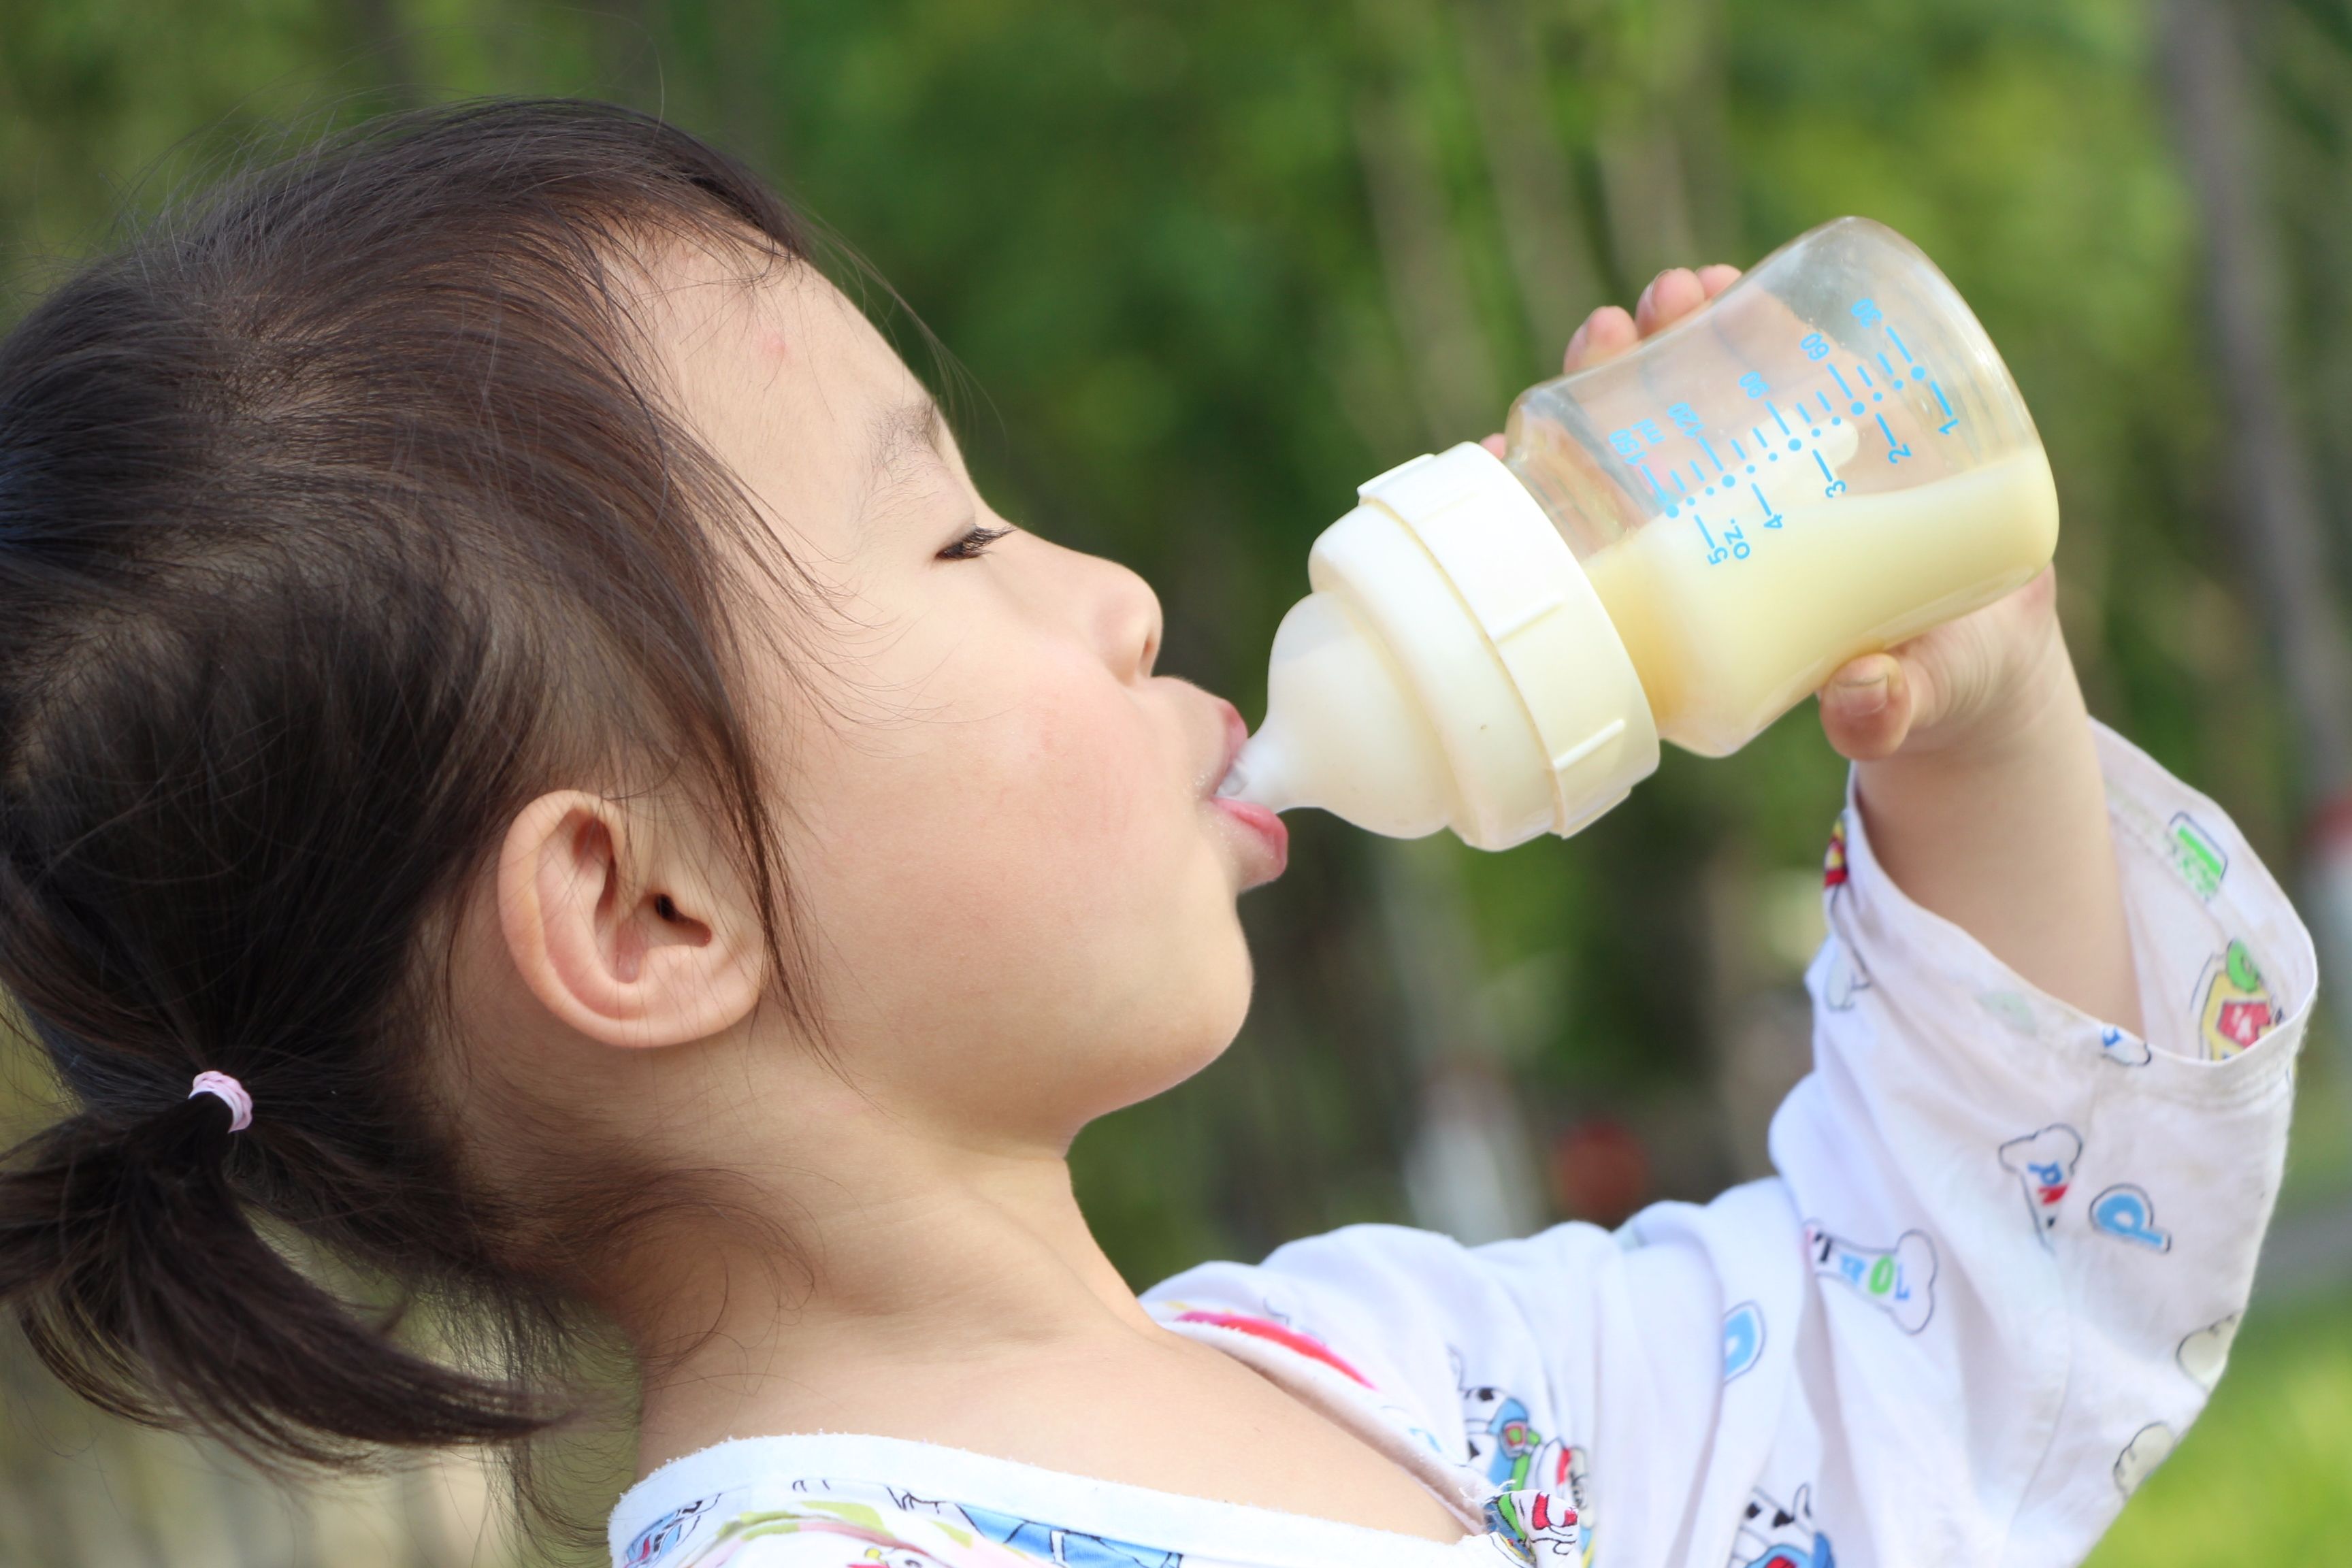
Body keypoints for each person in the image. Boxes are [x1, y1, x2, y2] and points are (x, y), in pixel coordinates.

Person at [0, 101, 2308, 1568]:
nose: (1113, 598)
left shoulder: (1409, 1387)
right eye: (960, 545)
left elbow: (1948, 1333)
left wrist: (1969, 714)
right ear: (650, 904)